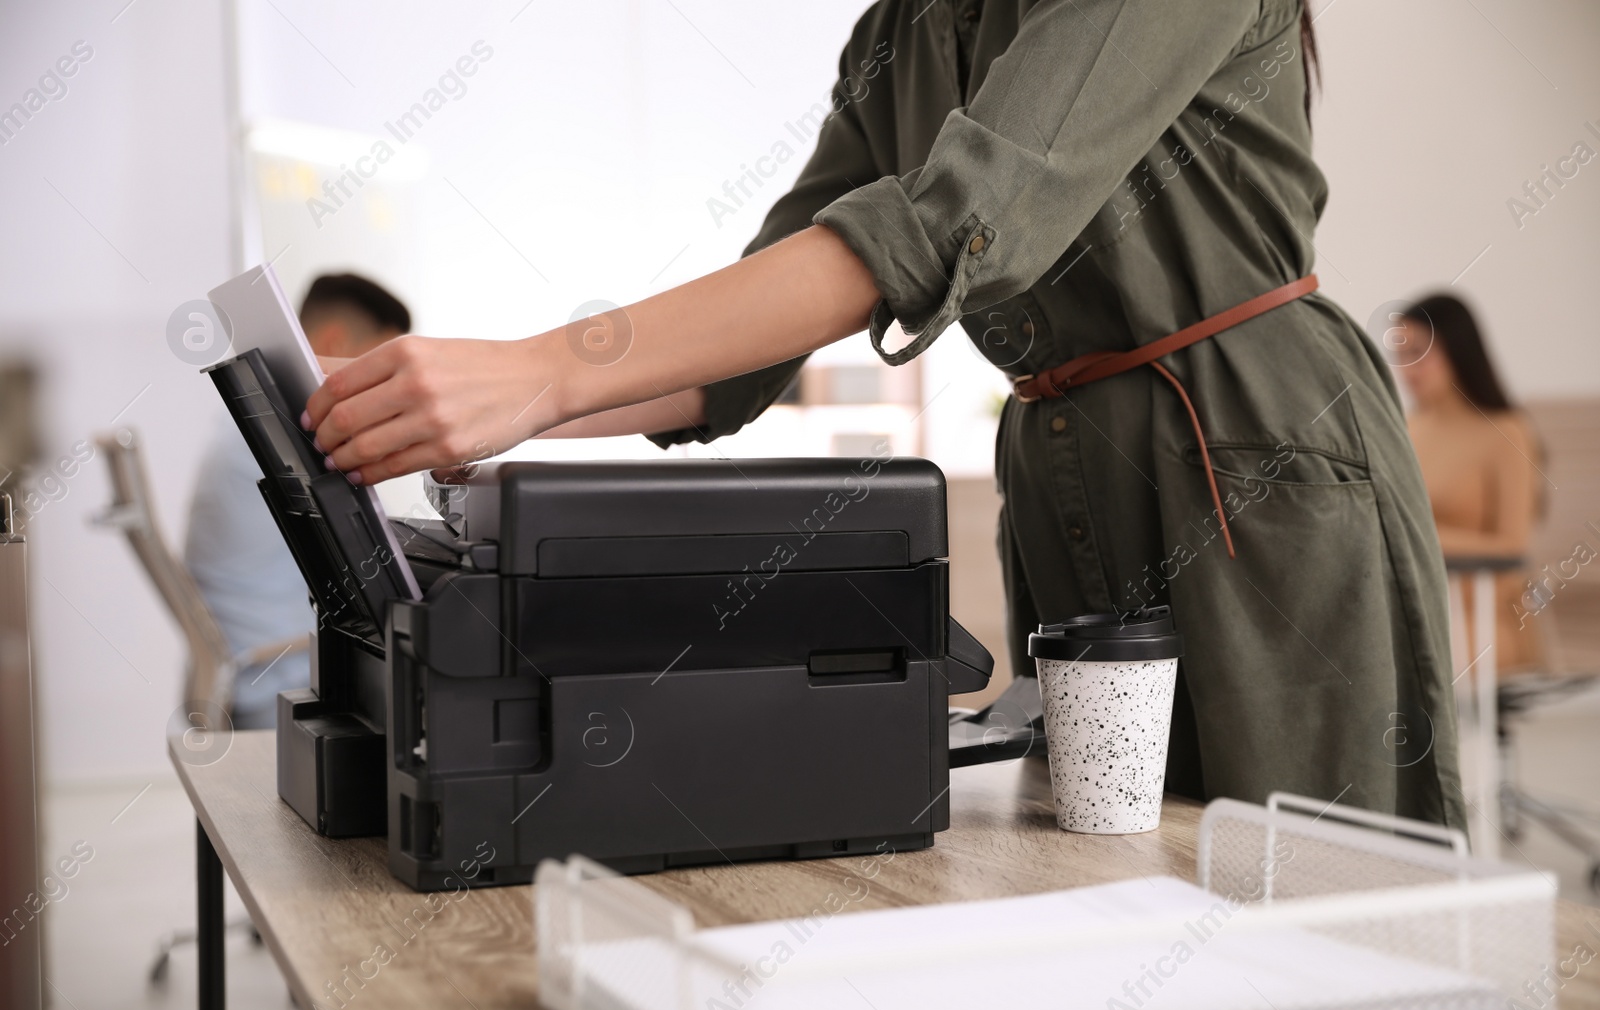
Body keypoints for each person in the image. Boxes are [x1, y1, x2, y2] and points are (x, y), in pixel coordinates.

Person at [301, 1, 1466, 829]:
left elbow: (955, 217)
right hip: (1067, 457)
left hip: (1254, 451)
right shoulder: (896, 33)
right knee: (1120, 873)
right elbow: (753, 341)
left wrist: (544, 370)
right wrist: (487, 411)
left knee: (1320, 880)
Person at [185, 273, 410, 729]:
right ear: (335, 341)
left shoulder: (257, 424)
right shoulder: (290, 442)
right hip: (280, 676)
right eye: (382, 364)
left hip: (247, 667)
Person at [1394, 294, 1545, 675]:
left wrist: (1417, 535)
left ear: (1458, 351)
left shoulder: (1507, 430)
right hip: (1417, 604)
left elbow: (1513, 544)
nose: (1409, 368)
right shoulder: (1407, 428)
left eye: (1420, 352)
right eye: (1401, 353)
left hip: (1480, 615)